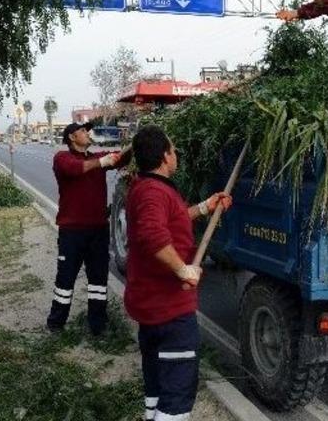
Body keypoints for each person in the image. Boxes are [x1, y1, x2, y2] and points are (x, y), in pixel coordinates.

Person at [124, 126, 233, 421]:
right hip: (168, 309)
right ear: (164, 156)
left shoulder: (147, 187)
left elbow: (171, 218)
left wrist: (204, 207)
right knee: (177, 391)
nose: (176, 155)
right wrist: (183, 269)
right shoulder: (153, 192)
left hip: (152, 306)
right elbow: (152, 234)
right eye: (173, 150)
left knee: (157, 378)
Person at [47, 122, 130, 335]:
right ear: (72, 137)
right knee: (65, 279)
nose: (87, 133)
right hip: (72, 233)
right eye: (83, 131)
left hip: (98, 232)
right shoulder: (62, 158)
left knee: (98, 281)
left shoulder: (96, 157)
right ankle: (56, 324)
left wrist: (135, 145)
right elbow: (75, 169)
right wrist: (101, 162)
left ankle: (97, 325)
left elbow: (122, 157)